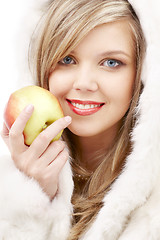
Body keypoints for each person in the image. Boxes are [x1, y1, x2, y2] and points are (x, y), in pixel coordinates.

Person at [0, 0, 160, 239]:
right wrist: (33, 196)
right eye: (67, 59)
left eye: (111, 62)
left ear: (142, 75)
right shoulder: (8, 189)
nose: (84, 83)